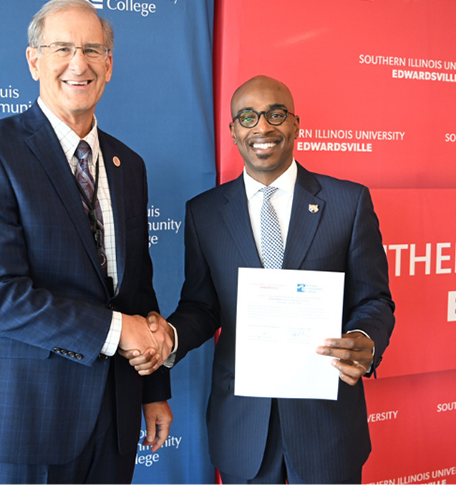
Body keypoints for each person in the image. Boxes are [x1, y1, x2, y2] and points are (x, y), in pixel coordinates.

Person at [0, 0, 174, 483]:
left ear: (109, 65)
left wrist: (154, 387)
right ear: (34, 61)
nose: (79, 63)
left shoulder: (127, 165)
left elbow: (137, 289)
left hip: (115, 419)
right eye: (62, 48)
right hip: (26, 422)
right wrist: (117, 331)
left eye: (93, 50)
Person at [165, 75, 394, 484]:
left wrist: (365, 338)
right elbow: (202, 306)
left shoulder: (348, 202)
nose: (263, 128)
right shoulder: (204, 213)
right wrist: (170, 338)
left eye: (275, 114)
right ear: (234, 132)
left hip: (326, 424)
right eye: (248, 117)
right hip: (243, 425)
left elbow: (375, 299)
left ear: (295, 124)